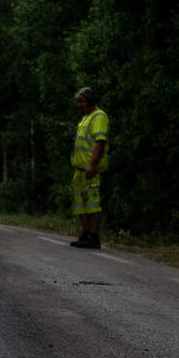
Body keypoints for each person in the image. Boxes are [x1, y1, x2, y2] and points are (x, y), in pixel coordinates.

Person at [69, 87, 109, 249]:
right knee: (80, 203)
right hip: (80, 170)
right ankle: (86, 234)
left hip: (90, 170)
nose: (79, 105)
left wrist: (92, 165)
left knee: (92, 203)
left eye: (81, 101)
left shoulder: (99, 117)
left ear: (90, 101)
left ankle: (94, 236)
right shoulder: (86, 117)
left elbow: (100, 142)